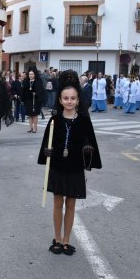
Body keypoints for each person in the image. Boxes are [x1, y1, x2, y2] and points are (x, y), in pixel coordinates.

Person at [38, 70, 102, 256]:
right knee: (58, 202)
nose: (69, 101)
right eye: (65, 98)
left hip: (74, 168)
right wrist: (46, 152)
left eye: (73, 98)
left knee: (71, 204)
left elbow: (90, 143)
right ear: (60, 100)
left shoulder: (83, 121)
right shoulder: (54, 120)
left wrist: (88, 152)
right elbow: (46, 144)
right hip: (58, 166)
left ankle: (67, 240)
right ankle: (57, 239)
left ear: (78, 100)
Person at [22, 68, 44, 133]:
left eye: (32, 74)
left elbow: (41, 90)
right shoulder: (26, 81)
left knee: (35, 115)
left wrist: (36, 93)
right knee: (30, 115)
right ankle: (30, 128)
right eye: (29, 74)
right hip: (28, 100)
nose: (30, 75)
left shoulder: (38, 81)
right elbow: (24, 91)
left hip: (36, 100)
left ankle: (35, 128)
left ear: (34, 74)